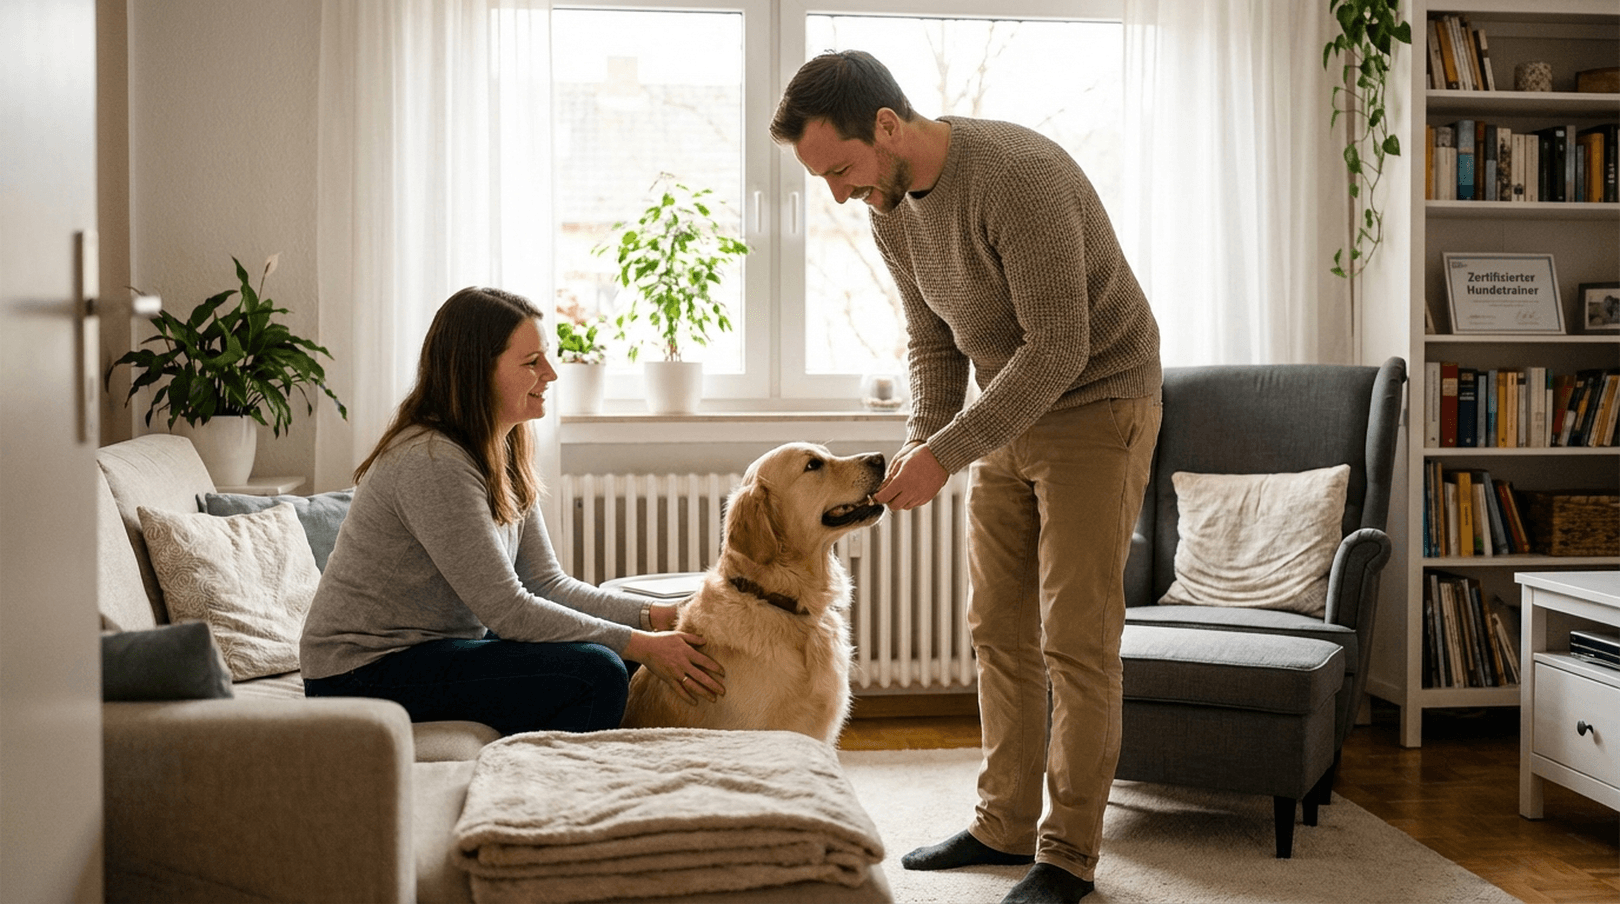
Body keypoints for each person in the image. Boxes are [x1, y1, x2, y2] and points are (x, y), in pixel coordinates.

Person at [771, 51, 1162, 904]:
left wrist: (951, 449)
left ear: (886, 125)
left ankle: (1067, 857)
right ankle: (1002, 824)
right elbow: (933, 340)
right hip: (1008, 414)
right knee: (996, 625)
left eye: (840, 170)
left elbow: (1060, 345)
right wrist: (925, 443)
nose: (839, 193)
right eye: (823, 181)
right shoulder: (890, 206)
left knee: (1076, 638)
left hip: (1100, 402)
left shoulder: (1016, 176)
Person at [301, 287, 723, 735]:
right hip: (359, 673)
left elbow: (546, 583)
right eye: (531, 363)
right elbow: (508, 610)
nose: (551, 374)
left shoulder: (504, 446)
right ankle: (544, 777)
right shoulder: (431, 460)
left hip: (437, 650)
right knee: (596, 671)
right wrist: (644, 644)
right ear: (476, 373)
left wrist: (654, 616)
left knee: (617, 653)